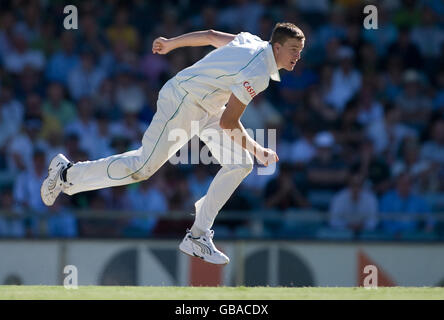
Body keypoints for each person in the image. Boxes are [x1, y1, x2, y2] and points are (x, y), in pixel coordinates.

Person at [41, 23, 305, 265]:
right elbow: (229, 122)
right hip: (184, 101)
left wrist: (171, 43)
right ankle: (66, 173)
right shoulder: (258, 72)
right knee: (142, 168)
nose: (297, 56)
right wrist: (259, 149)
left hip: (207, 105)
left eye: (301, 51)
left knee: (240, 163)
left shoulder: (252, 40)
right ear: (277, 47)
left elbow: (211, 36)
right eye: (293, 49)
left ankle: (197, 236)